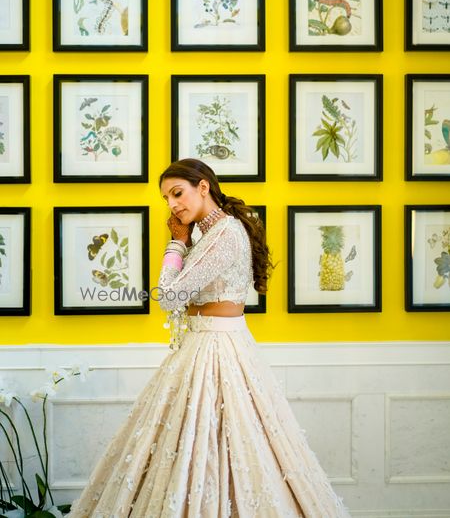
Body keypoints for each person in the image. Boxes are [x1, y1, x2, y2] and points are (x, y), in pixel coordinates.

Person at [68, 158, 351, 517]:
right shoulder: (209, 235)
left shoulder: (227, 234)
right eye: (167, 199)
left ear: (203, 187)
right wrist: (185, 242)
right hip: (200, 347)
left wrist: (175, 243)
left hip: (218, 350)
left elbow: (168, 296)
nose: (172, 205)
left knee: (226, 449)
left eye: (177, 193)